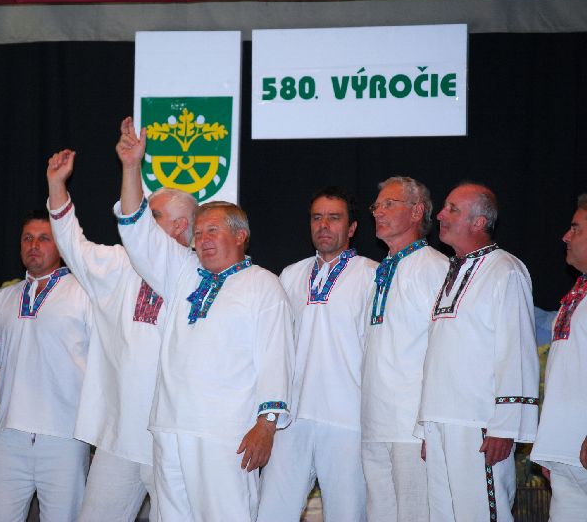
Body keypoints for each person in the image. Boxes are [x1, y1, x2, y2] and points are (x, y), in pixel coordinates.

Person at [113, 117, 294, 521]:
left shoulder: (262, 284)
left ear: (240, 235)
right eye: (198, 233)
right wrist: (131, 168)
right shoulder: (183, 271)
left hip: (225, 434)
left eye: (213, 231)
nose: (203, 239)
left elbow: (276, 358)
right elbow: (139, 231)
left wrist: (266, 425)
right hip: (170, 427)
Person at [46, 148, 196, 522]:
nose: (141, 222)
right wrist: (57, 186)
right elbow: (72, 246)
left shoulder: (198, 274)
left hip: (172, 437)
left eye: (153, 216)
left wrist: (131, 167)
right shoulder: (119, 263)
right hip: (121, 435)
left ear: (180, 226)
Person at [415, 182, 539, 521]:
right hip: (441, 419)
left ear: (479, 222)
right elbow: (439, 352)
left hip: (479, 424)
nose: (440, 215)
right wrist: (427, 424)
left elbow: (516, 350)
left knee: (480, 514)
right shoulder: (452, 271)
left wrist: (505, 426)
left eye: (452, 209)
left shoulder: (505, 270)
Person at [258, 187, 377, 521]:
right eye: (317, 217)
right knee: (270, 512)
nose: (324, 225)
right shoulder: (290, 274)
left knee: (347, 514)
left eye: (334, 218)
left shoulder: (372, 274)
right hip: (292, 419)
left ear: (352, 227)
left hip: (347, 420)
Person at [0, 211, 93, 522]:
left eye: (44, 238)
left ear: (61, 245)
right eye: (27, 238)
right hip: (10, 434)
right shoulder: (3, 299)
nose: (34, 245)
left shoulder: (85, 293)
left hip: (65, 435)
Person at [360, 176, 448, 522]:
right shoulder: (382, 270)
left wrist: (429, 425)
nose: (378, 212)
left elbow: (444, 352)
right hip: (375, 421)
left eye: (389, 204)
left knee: (416, 513)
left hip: (411, 425)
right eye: (376, 206)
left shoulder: (435, 267)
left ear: (417, 212)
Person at [531, 193, 587, 521]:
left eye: (576, 228)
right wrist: (552, 447)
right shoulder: (577, 293)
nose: (566, 236)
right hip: (566, 452)